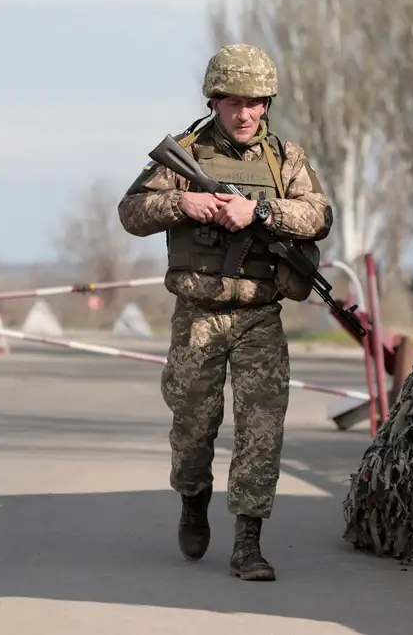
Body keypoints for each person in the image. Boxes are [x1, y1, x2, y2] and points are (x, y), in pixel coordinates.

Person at [117, 43, 333, 581]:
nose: (245, 113)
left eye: (256, 102)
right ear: (214, 101)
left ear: (268, 104)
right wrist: (181, 203)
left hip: (260, 315)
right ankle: (193, 499)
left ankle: (249, 544)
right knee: (193, 427)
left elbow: (318, 216)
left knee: (262, 431)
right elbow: (131, 212)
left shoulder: (287, 160)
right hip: (198, 315)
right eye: (234, 102)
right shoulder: (184, 155)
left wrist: (257, 209)